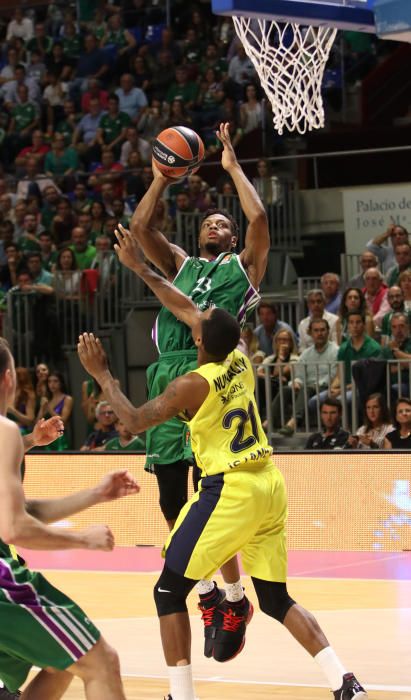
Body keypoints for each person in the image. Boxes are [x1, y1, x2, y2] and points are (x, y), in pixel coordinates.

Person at [78, 232, 367, 700]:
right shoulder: (240, 359)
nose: (195, 314)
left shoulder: (192, 383)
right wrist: (147, 272)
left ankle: (182, 695)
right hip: (270, 485)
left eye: (198, 319)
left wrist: (103, 375)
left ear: (196, 337)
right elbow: (190, 309)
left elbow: (130, 421)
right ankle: (345, 683)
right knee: (276, 598)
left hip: (230, 489)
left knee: (169, 592)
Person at [118, 122, 269, 633]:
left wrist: (232, 167)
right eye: (209, 221)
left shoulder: (243, 268)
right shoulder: (180, 263)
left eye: (223, 223)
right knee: (169, 497)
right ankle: (206, 590)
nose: (216, 225)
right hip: (169, 376)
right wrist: (161, 176)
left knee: (210, 494)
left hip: (211, 379)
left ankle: (232, 592)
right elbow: (140, 229)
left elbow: (260, 219)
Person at [0, 336, 139, 699]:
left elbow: (21, 510)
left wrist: (96, 494)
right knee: (100, 661)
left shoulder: (12, 436)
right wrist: (83, 539)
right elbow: (14, 526)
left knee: (61, 662)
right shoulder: (5, 432)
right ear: (9, 379)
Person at [36, 371, 73, 450]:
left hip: (59, 438)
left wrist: (48, 407)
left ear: (61, 383)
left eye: (55, 381)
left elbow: (63, 420)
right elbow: (38, 422)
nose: (52, 384)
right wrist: (42, 407)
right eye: (49, 381)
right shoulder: (48, 400)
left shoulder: (67, 399)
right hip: (45, 439)